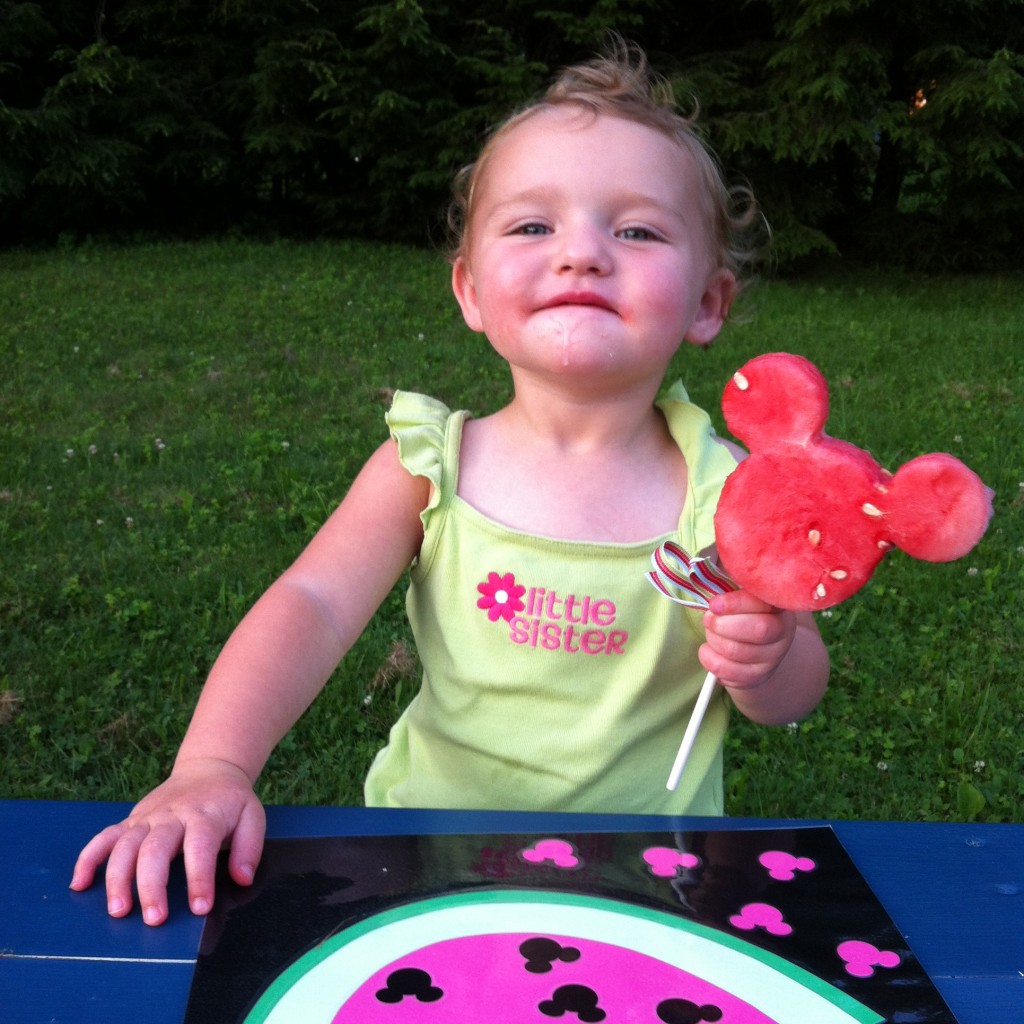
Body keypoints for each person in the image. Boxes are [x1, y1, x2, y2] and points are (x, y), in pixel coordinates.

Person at [71, 41, 830, 926]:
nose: (582, 253)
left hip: (649, 882)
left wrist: (768, 659)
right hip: (428, 864)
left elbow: (794, 693)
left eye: (637, 230)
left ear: (708, 303)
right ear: (470, 292)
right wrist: (213, 768)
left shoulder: (730, 490)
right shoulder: (430, 464)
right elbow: (312, 603)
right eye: (532, 226)